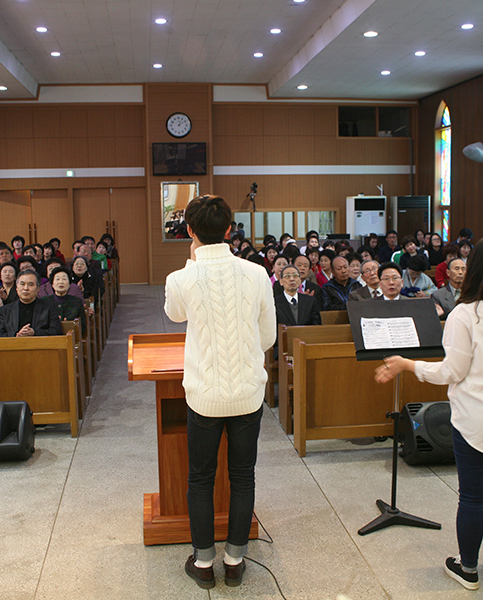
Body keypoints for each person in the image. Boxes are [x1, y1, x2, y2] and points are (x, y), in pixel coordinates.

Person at [374, 235, 483, 592]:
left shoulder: (467, 313)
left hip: (476, 419)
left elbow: (451, 371)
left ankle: (468, 569)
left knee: (472, 497)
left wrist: (407, 364)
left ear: (475, 266)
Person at [164, 195, 275, 590]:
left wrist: (191, 263)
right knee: (243, 476)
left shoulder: (181, 278)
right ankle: (234, 561)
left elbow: (174, 314)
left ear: (189, 230)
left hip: (204, 395)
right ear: (230, 229)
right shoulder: (256, 273)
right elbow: (267, 336)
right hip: (247, 392)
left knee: (201, 478)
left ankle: (203, 562)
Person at [0, 270, 63, 337]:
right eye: (22, 284)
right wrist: (16, 335)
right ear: (17, 287)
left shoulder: (49, 307)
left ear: (38, 288)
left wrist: (34, 333)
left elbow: (57, 331)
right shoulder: (6, 310)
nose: (26, 288)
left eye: (30, 285)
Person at [48, 266, 87, 336]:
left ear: (69, 284)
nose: (61, 282)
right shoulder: (44, 301)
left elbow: (83, 326)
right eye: (57, 279)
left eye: (64, 279)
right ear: (52, 284)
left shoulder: (77, 302)